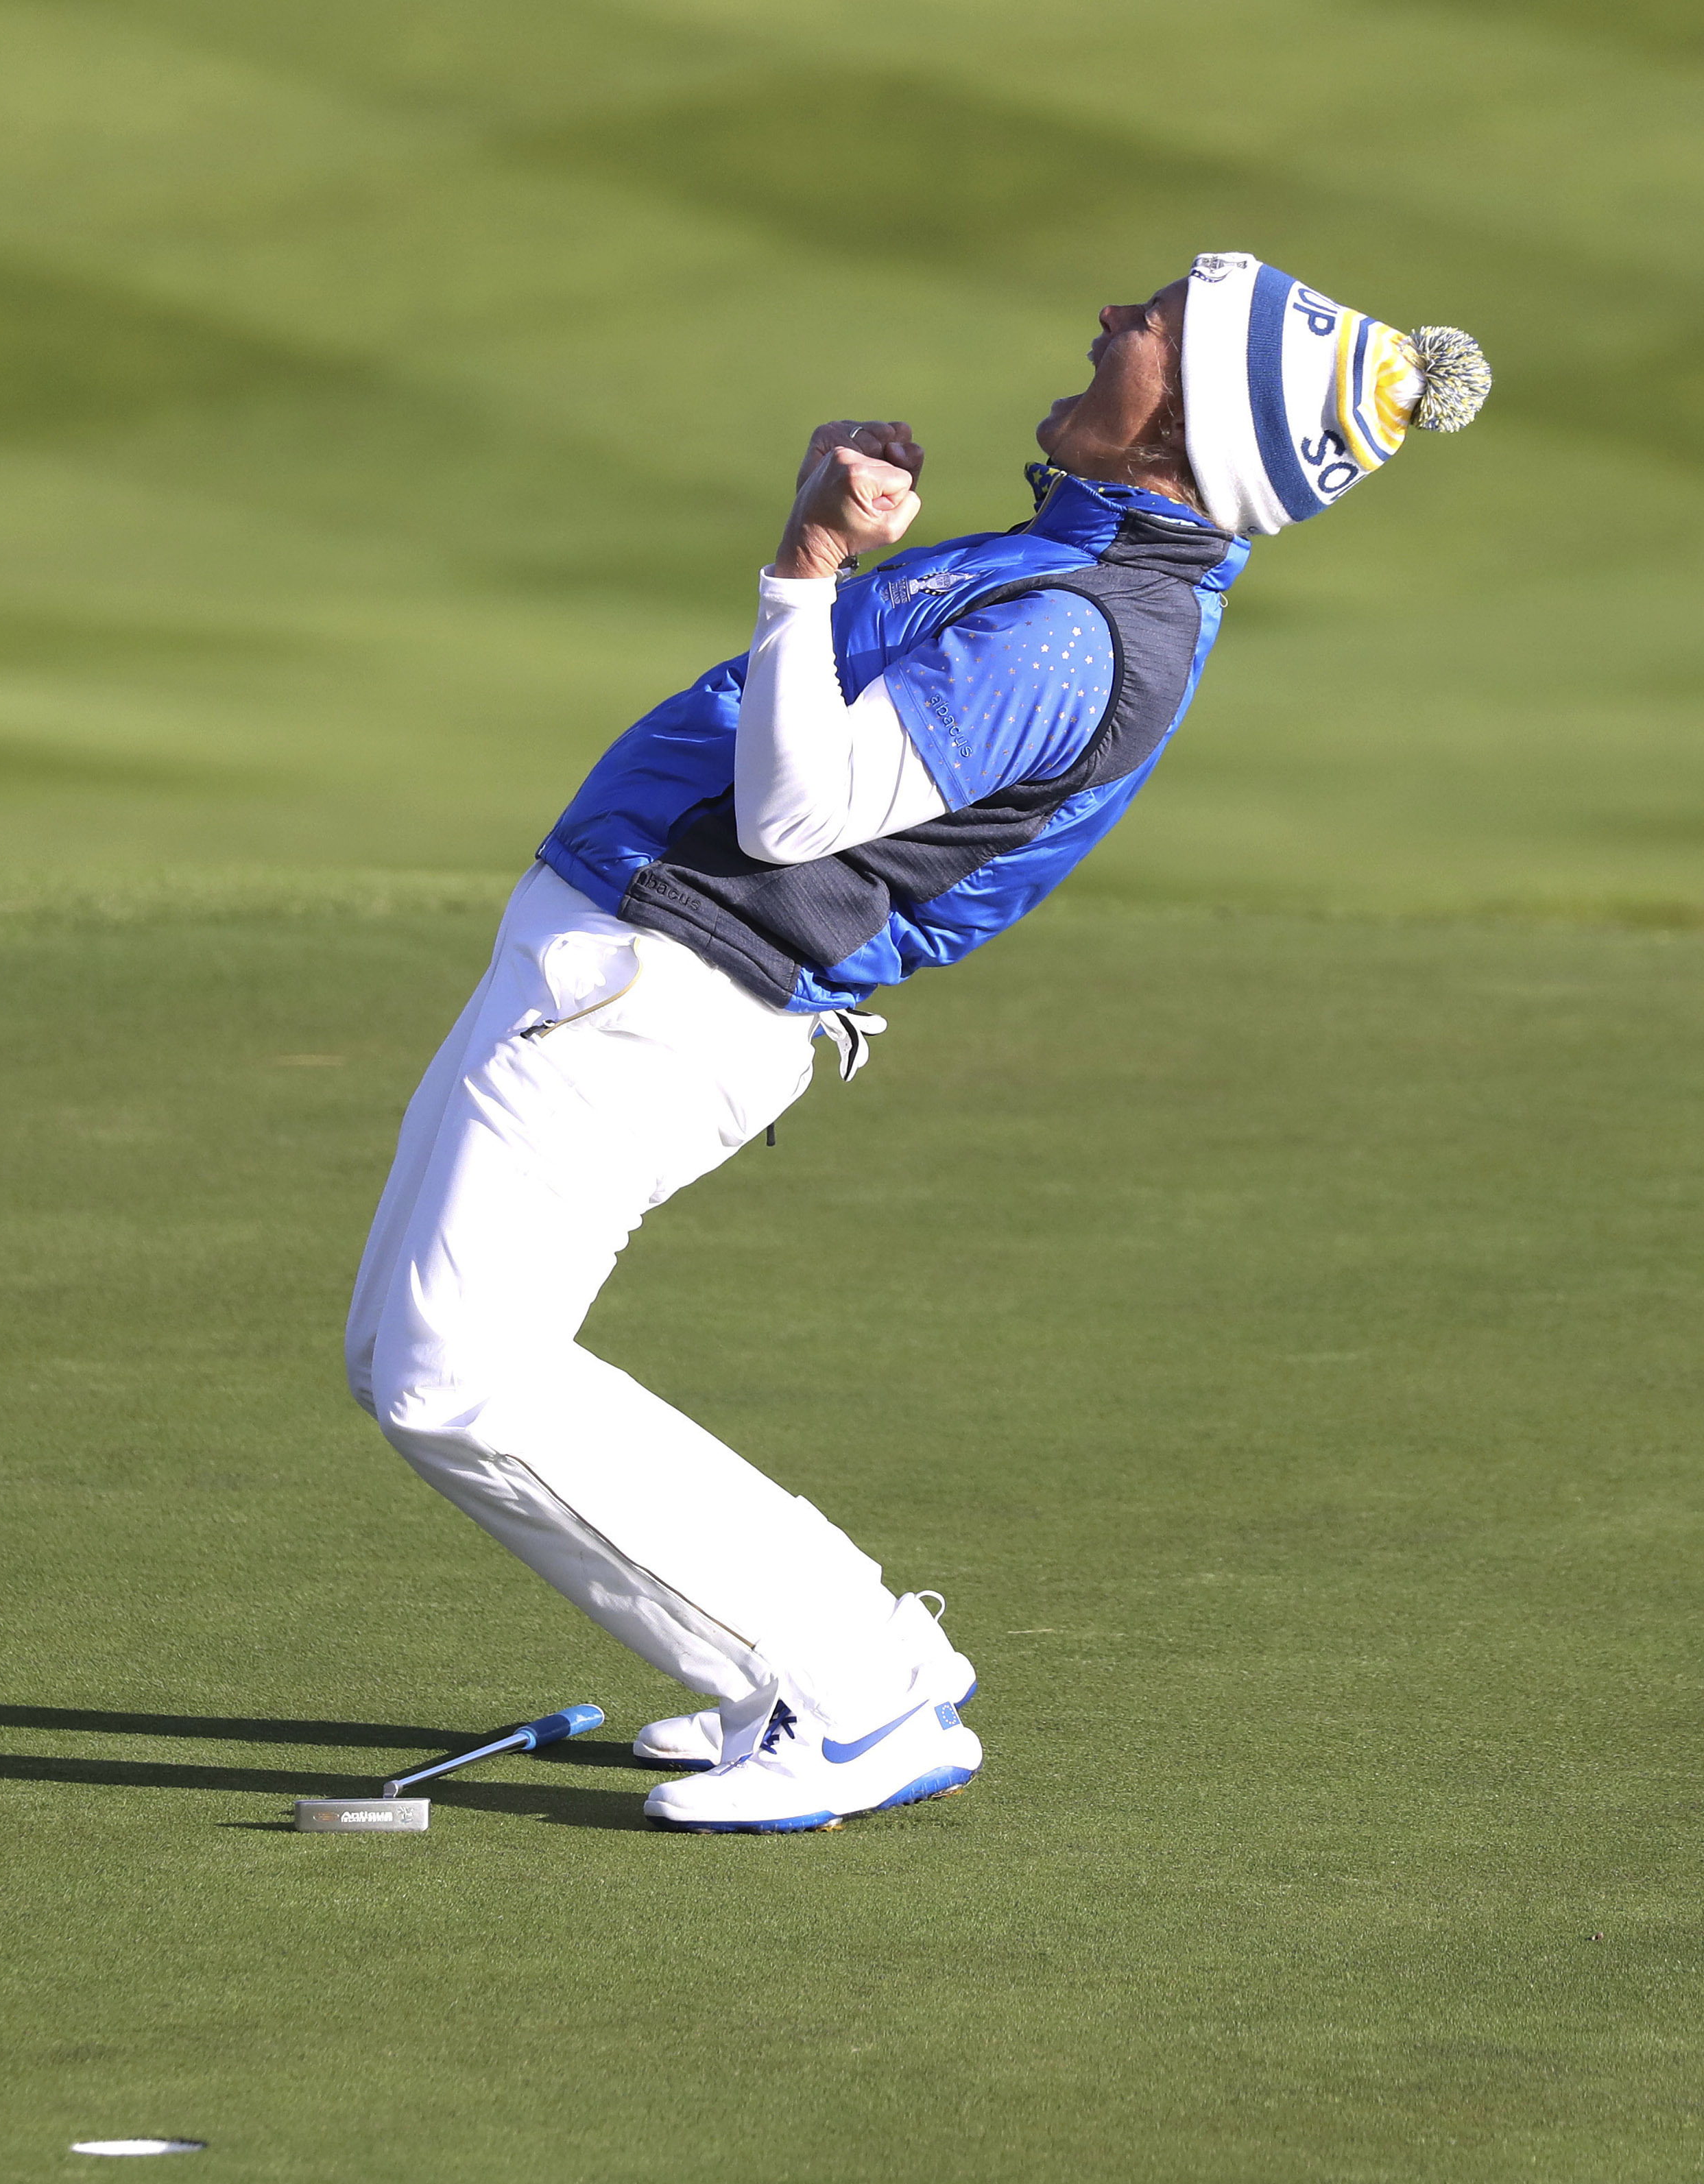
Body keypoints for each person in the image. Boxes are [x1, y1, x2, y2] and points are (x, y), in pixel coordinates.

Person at [344, 254, 1491, 1834]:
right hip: (627, 965)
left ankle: (852, 1693)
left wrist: (809, 558)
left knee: (453, 1369)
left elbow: (796, 811)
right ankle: (829, 1666)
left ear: (1186, 434)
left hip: (667, 994)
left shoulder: (1078, 632)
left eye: (1149, 322)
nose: (1111, 315)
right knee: (406, 1355)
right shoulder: (1084, 559)